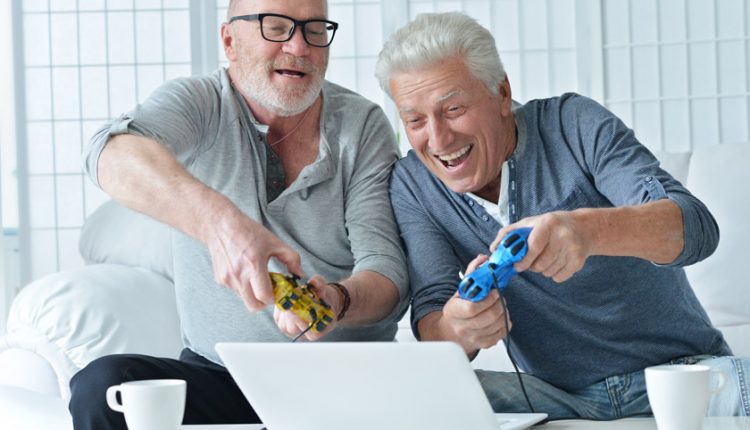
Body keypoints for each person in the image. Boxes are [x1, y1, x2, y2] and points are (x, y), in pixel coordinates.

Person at [375, 11, 749, 420]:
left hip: (675, 376)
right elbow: (432, 318)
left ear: (501, 93)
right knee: (407, 397)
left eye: (453, 109)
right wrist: (459, 328)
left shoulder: (572, 123)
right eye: (414, 121)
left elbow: (696, 226)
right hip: (552, 393)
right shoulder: (412, 183)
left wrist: (586, 230)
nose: (439, 139)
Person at [69, 0, 409, 427]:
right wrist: (220, 223)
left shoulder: (362, 125)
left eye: (315, 29)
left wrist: (336, 300)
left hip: (345, 381)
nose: (300, 47)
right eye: (277, 27)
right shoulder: (200, 104)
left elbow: (388, 274)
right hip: (223, 377)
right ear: (230, 40)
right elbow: (108, 152)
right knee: (104, 385)